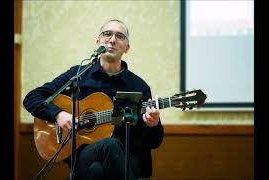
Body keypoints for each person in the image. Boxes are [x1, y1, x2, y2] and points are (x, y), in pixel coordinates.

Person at [23, 19, 164, 180]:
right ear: (97, 41)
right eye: (107, 34)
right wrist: (58, 114)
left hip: (127, 157)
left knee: (98, 169)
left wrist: (153, 124)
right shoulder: (78, 75)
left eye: (120, 36)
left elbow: (154, 142)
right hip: (84, 154)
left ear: (127, 48)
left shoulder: (138, 86)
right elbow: (32, 98)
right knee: (107, 147)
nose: (112, 40)